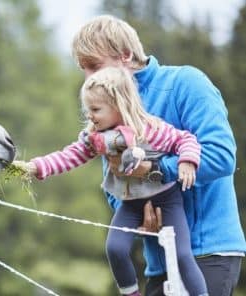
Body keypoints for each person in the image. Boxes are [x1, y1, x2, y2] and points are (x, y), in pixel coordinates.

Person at [70, 15, 245, 296]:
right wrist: (137, 215)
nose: (89, 78)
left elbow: (221, 156)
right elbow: (114, 185)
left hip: (208, 253)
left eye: (94, 66)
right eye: (83, 69)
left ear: (125, 55)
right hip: (159, 259)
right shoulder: (107, 108)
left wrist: (156, 170)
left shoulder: (187, 83)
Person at [18, 66, 207, 295]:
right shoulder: (96, 139)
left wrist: (187, 161)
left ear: (118, 105)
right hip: (130, 204)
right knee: (115, 249)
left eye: (96, 109)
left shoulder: (149, 130)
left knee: (182, 255)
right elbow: (70, 155)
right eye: (88, 109)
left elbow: (185, 139)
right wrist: (38, 167)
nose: (90, 115)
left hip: (167, 199)